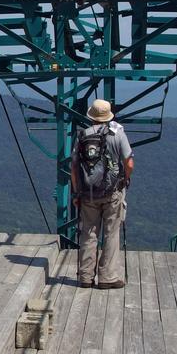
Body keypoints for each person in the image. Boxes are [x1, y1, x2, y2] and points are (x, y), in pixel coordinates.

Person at [70, 99, 134, 289]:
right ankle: (107, 278)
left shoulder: (82, 136)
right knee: (111, 233)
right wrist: (125, 179)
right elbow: (129, 163)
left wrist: (76, 192)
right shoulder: (118, 134)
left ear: (91, 116)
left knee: (89, 233)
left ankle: (85, 277)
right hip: (112, 191)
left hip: (88, 193)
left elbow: (74, 167)